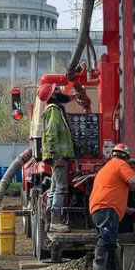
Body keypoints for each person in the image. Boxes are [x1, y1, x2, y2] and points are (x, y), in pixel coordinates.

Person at [89, 143, 135, 270]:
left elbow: (111, 191)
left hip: (100, 209)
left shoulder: (107, 167)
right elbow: (133, 180)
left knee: (108, 239)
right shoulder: (120, 164)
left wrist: (126, 209)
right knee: (106, 239)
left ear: (113, 154)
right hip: (106, 209)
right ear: (126, 157)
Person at [38, 83, 75, 233]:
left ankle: (50, 220)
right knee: (60, 188)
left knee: (54, 188)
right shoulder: (54, 111)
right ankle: (55, 221)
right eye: (57, 90)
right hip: (59, 157)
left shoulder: (54, 109)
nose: (60, 91)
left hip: (56, 156)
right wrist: (56, 156)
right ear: (52, 95)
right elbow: (51, 134)